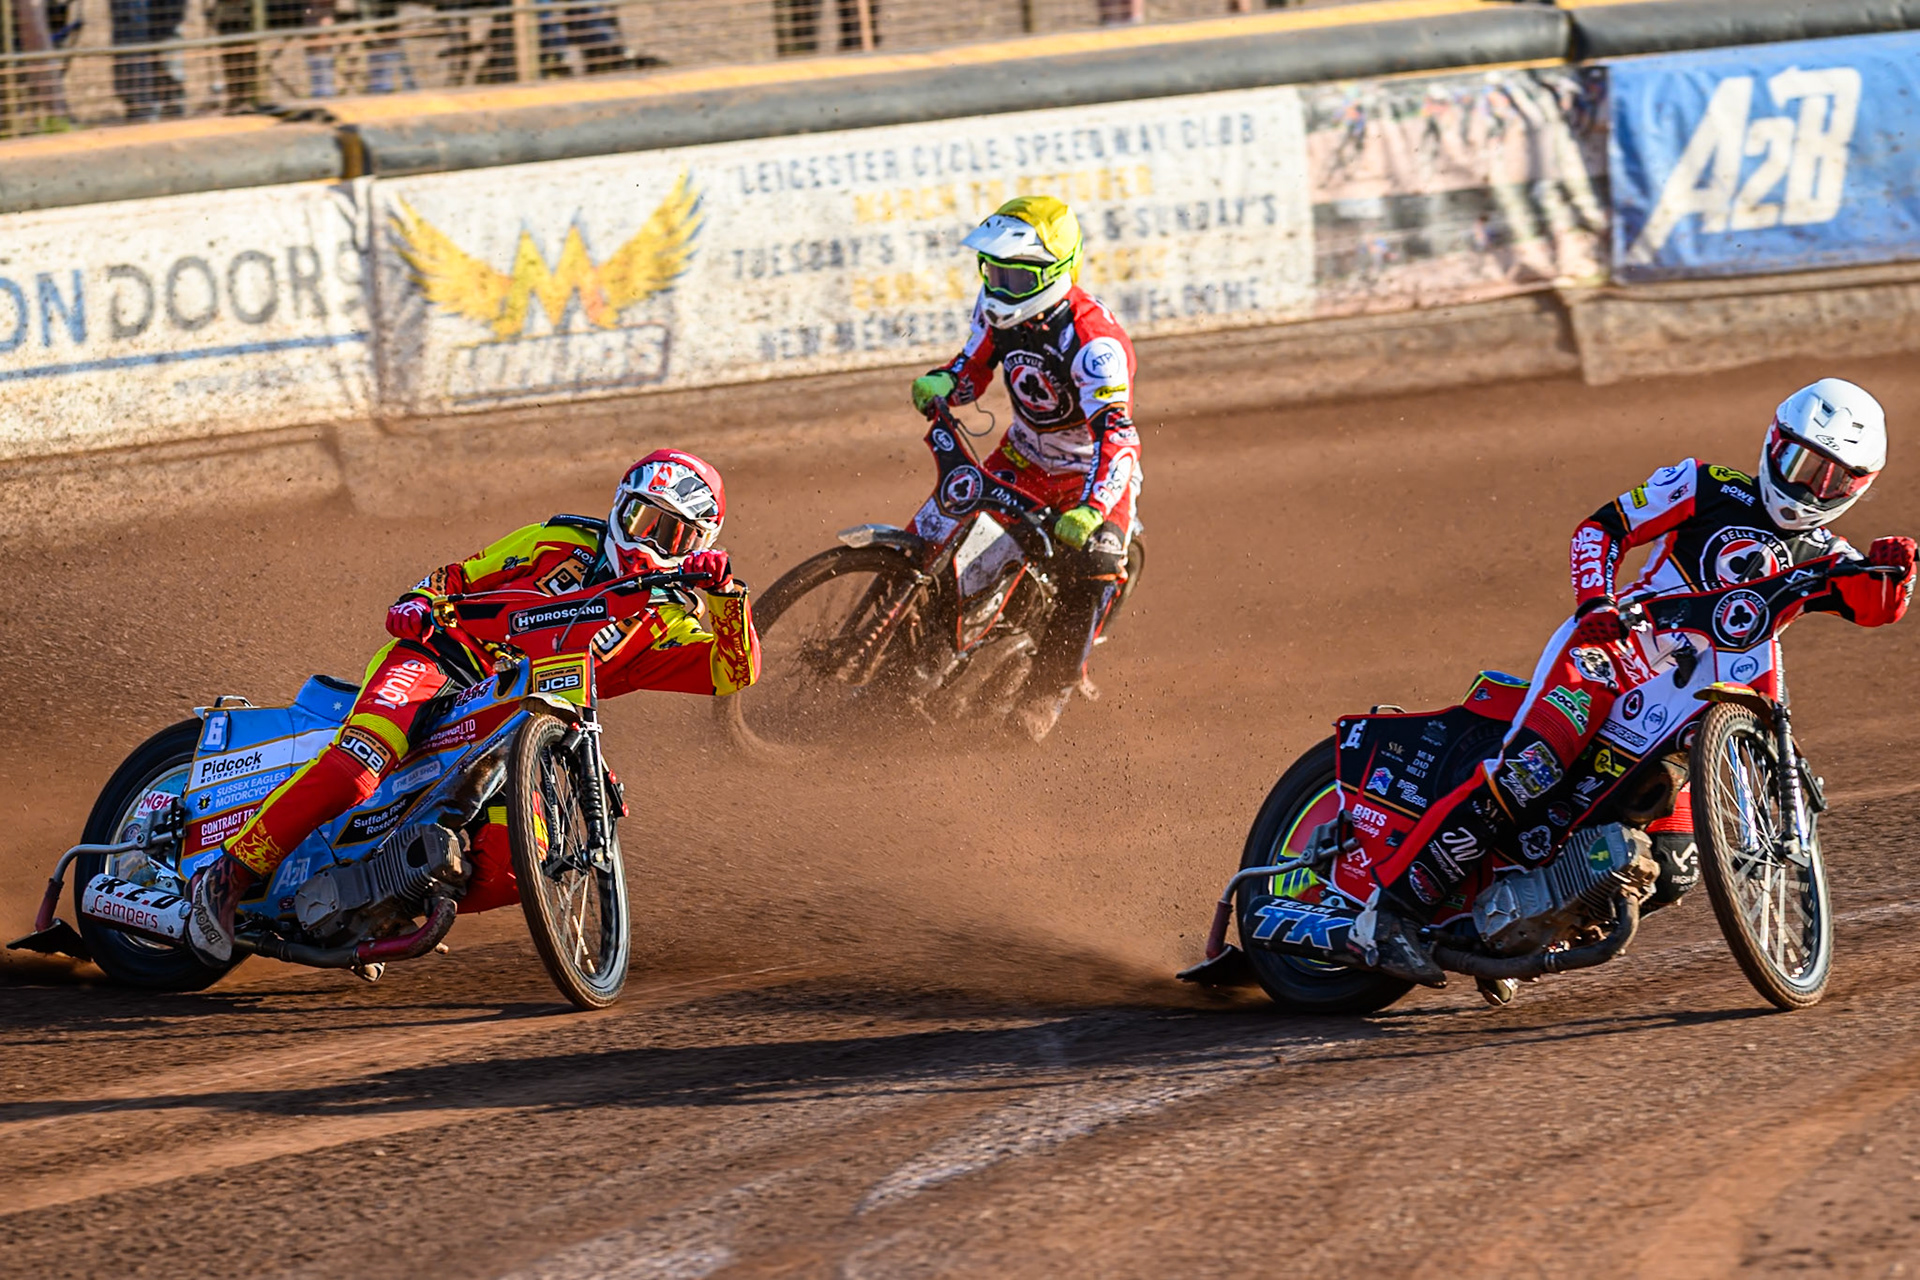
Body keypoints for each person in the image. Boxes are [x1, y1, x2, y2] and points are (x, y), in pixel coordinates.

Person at [1338, 378, 1916, 985]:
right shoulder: (1705, 485)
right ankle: (1389, 913)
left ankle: (1506, 932)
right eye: (1801, 463)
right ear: (1774, 444)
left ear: (1858, 487)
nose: (1809, 487)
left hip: (1694, 704)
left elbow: (1874, 605)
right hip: (1611, 656)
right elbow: (1600, 529)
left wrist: (1896, 573)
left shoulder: (1829, 553)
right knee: (1531, 769)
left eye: (1832, 479)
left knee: (1674, 866)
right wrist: (1596, 602)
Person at [185, 450, 760, 965]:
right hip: (441, 662)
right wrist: (417, 601)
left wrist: (730, 600)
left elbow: (733, 672)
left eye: (671, 534)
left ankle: (375, 904)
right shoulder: (559, 539)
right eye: (640, 518)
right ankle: (227, 876)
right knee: (360, 767)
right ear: (617, 509)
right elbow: (457, 576)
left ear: (700, 544)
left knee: (517, 867)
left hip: (528, 727)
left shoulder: (669, 622)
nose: (646, 541)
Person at [910, 195, 1142, 743]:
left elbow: (1118, 435)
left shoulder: (1093, 343)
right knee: (939, 535)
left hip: (1089, 476)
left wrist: (1090, 508)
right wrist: (947, 382)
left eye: (1016, 275)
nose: (1000, 283)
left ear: (1055, 274)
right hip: (1022, 455)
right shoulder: (998, 308)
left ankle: (1048, 693)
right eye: (994, 269)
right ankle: (911, 652)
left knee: (1096, 563)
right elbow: (973, 365)